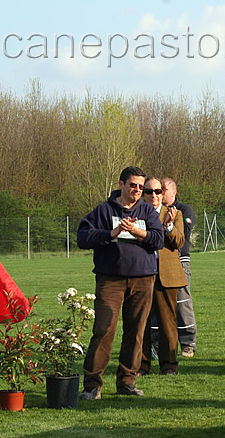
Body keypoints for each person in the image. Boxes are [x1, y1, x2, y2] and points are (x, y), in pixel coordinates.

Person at [77, 166, 164, 399]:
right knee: (104, 330)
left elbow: (158, 240)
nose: (137, 190)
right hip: (110, 280)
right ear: (122, 184)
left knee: (136, 332)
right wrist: (111, 233)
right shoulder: (103, 210)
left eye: (140, 187)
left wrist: (136, 231)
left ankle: (127, 381)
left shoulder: (147, 210)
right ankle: (92, 384)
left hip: (144, 278)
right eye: (132, 185)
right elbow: (83, 238)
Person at [139, 177, 188, 375]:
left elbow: (179, 241)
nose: (154, 195)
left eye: (158, 191)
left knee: (168, 322)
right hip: (141, 273)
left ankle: (169, 365)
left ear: (163, 193)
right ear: (143, 194)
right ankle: (141, 365)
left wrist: (168, 226)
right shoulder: (137, 213)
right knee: (140, 321)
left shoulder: (174, 213)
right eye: (149, 191)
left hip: (166, 275)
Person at [160, 177, 197, 357]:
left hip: (180, 260)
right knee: (156, 303)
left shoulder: (185, 210)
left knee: (182, 302)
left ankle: (188, 343)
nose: (159, 192)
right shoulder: (153, 210)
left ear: (174, 192)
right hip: (158, 261)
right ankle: (155, 343)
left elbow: (183, 236)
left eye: (163, 189)